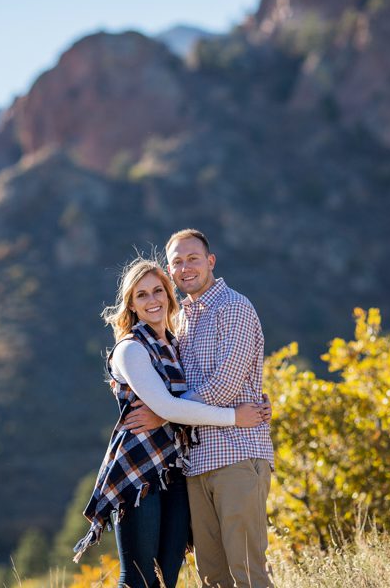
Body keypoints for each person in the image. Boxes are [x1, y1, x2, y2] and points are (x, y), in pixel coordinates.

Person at [73, 258, 269, 588]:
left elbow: (209, 383)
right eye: (142, 295)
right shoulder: (131, 349)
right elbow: (169, 407)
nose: (152, 301)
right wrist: (236, 417)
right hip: (140, 472)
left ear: (169, 294)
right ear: (131, 305)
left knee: (168, 572)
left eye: (158, 291)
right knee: (139, 576)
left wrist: (259, 399)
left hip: (175, 468)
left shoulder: (176, 344)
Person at [124, 229, 275, 588]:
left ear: (210, 261)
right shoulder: (181, 321)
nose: (185, 267)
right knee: (213, 578)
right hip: (196, 464)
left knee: (249, 574)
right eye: (176, 262)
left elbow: (226, 386)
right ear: (170, 270)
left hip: (237, 457)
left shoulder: (234, 308)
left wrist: (163, 413)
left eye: (193, 258)